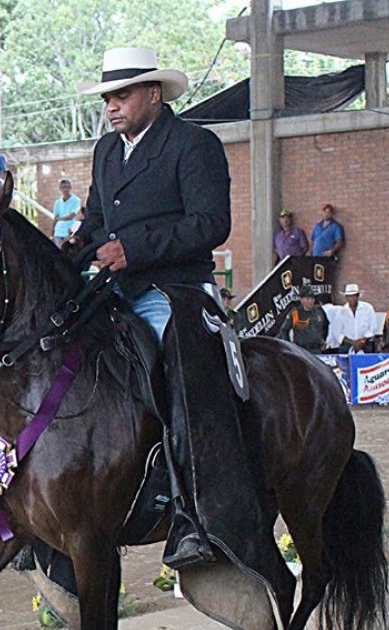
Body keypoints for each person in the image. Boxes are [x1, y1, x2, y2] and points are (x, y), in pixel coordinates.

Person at [65, 46, 255, 569]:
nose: (112, 106)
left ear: (154, 93)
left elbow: (211, 223)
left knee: (175, 378)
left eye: (122, 96)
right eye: (107, 98)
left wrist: (136, 250)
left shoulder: (194, 145)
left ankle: (190, 512)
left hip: (176, 291)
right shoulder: (107, 150)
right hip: (115, 289)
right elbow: (97, 220)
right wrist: (71, 250)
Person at [326, 283, 380, 353]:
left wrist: (363, 340)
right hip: (347, 345)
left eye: (354, 296)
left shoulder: (367, 308)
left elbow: (373, 327)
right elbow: (338, 332)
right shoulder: (341, 312)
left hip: (366, 344)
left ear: (358, 296)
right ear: (346, 297)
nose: (353, 299)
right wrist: (352, 342)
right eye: (350, 296)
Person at [51, 178, 81, 246]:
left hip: (69, 231)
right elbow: (55, 218)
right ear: (60, 189)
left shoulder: (76, 200)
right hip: (58, 232)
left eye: (67, 187)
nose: (65, 189)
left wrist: (60, 219)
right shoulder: (57, 202)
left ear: (70, 187)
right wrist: (52, 232)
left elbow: (72, 215)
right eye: (63, 187)